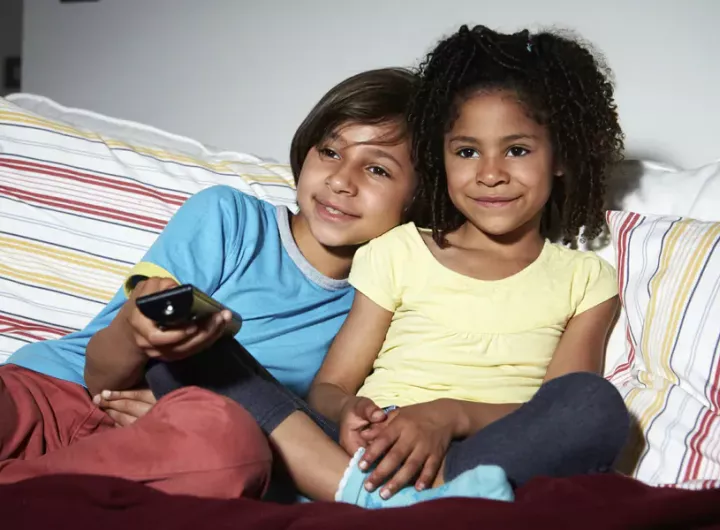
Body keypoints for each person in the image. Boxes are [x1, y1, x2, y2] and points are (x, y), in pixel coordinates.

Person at [146, 25, 630, 507]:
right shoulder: (399, 250)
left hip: (476, 451)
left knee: (594, 405)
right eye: (466, 151)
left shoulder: (585, 279)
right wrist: (350, 413)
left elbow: (554, 405)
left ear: (562, 156)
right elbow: (329, 388)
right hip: (363, 447)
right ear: (441, 160)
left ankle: (387, 498)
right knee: (190, 351)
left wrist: (449, 417)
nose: (489, 173)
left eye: (517, 150)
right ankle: (383, 501)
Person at [0, 67, 418, 500]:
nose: (340, 181)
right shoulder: (229, 218)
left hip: (172, 452)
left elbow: (298, 444)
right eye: (330, 152)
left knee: (229, 447)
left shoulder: (382, 303)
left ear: (420, 196)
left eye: (376, 170)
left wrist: (171, 414)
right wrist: (134, 329)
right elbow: (98, 372)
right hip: (54, 391)